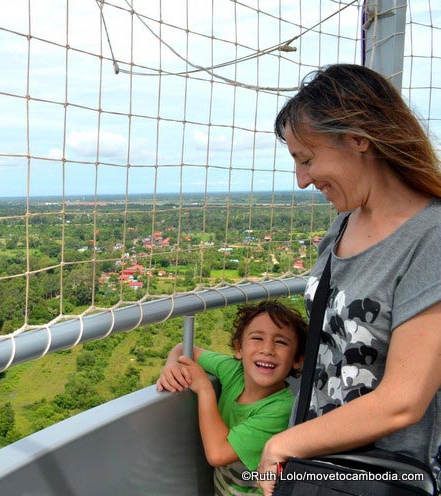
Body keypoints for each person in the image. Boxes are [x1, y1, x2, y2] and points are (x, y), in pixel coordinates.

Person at [256, 64, 441, 495]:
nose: (302, 180)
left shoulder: (431, 237)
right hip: (318, 467)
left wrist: (282, 444)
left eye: (307, 158)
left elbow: (403, 402)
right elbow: (327, 344)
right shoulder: (341, 227)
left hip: (381, 478)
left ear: (359, 139)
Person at [157, 300, 307, 495]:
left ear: (297, 359)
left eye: (281, 342)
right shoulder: (234, 371)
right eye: (257, 338)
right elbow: (183, 348)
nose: (267, 350)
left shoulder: (281, 409)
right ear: (239, 349)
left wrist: (205, 389)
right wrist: (171, 364)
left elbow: (218, 454)